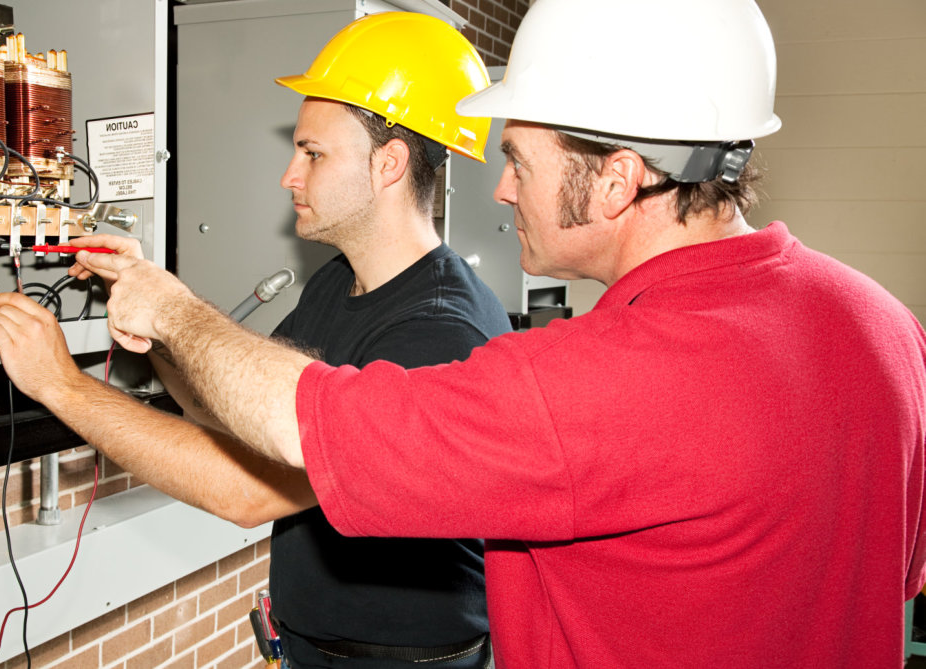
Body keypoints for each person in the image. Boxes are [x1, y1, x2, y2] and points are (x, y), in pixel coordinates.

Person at [56, 0, 926, 666]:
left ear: (619, 180)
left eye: (519, 160)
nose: (501, 191)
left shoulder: (586, 381)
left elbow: (300, 430)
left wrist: (148, 320)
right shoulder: (887, 329)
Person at [0, 13, 510, 668]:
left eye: (313, 153)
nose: (289, 175)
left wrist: (61, 384)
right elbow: (234, 409)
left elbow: (249, 489)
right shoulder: (339, 283)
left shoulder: (436, 331)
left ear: (389, 163)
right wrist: (154, 323)